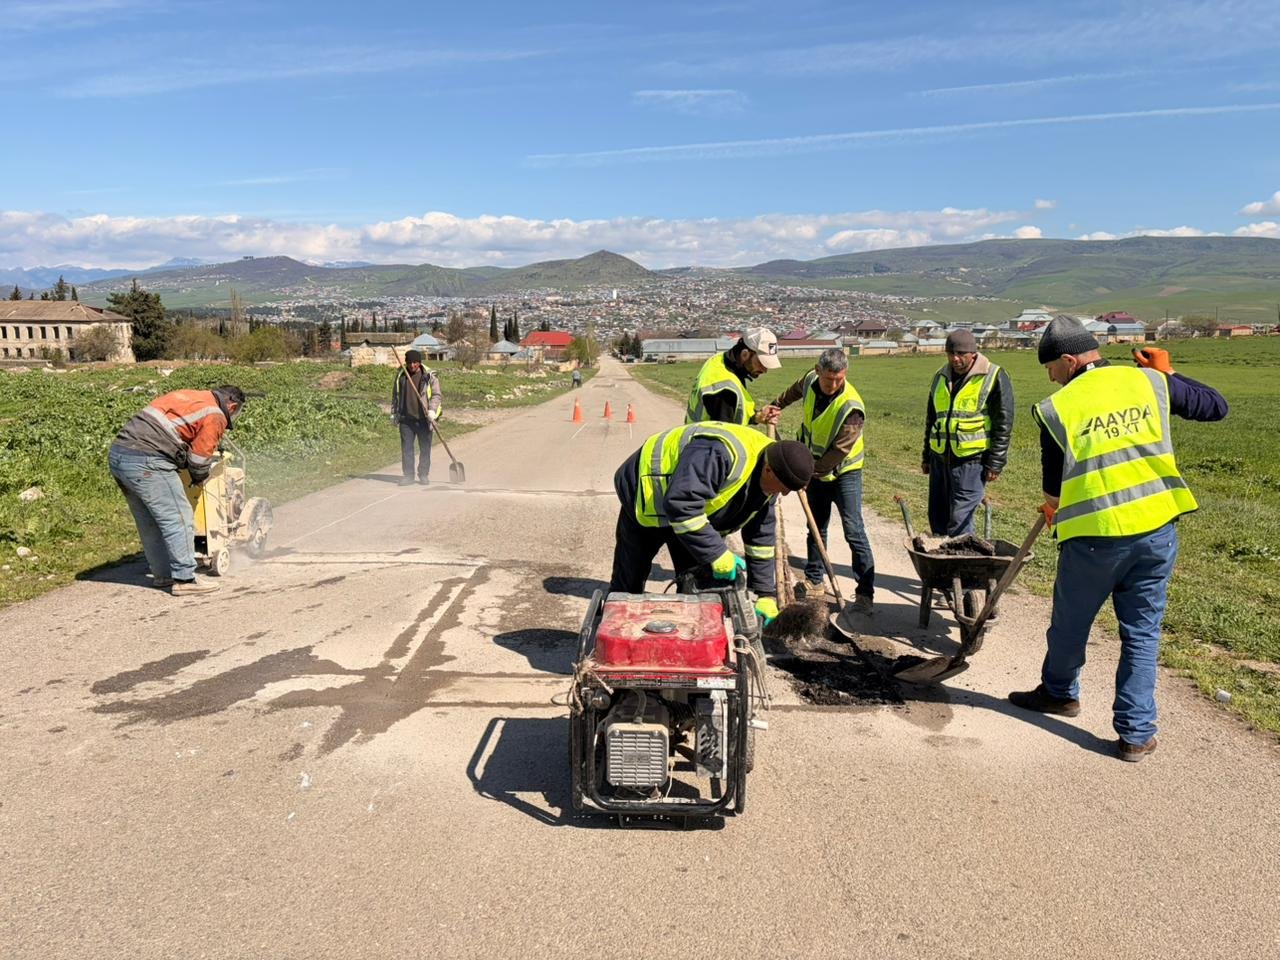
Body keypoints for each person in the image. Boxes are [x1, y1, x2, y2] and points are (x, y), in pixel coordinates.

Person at [1008, 316, 1228, 762]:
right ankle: (1136, 734)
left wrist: (1053, 507)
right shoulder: (1150, 383)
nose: (1050, 377)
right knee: (1142, 634)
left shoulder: (1057, 407)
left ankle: (1059, 693)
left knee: (1070, 625)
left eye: (1050, 367)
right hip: (1156, 531)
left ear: (1069, 361)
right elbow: (1215, 406)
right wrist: (1169, 374)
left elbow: (1054, 490)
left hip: (1095, 539)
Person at [609, 422, 815, 627]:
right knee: (629, 582)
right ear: (769, 470)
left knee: (700, 591)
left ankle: (686, 644)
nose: (784, 494)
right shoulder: (720, 453)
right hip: (646, 495)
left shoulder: (774, 472)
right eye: (784, 488)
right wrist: (717, 553)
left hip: (689, 515)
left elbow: (760, 538)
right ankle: (613, 634)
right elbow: (681, 504)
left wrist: (765, 594)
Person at [756, 347, 876, 613]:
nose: (833, 384)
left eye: (839, 379)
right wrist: (776, 405)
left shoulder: (852, 407)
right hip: (815, 465)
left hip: (845, 472)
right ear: (818, 370)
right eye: (828, 378)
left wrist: (808, 475)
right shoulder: (811, 379)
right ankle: (814, 580)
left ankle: (865, 592)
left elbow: (840, 450)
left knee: (853, 530)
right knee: (816, 525)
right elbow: (794, 390)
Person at [108, 385, 245, 596]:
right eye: (236, 412)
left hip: (120, 456)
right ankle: (184, 578)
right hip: (147, 461)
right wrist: (199, 478)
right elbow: (199, 462)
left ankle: (163, 575)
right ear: (232, 405)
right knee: (179, 517)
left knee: (150, 521)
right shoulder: (216, 415)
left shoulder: (191, 396)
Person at [921, 329, 1014, 536]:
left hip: (971, 461)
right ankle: (940, 564)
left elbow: (1004, 423)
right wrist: (926, 456)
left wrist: (996, 463)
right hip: (939, 459)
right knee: (937, 517)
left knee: (960, 520)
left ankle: (961, 565)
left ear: (973, 353)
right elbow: (932, 419)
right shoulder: (940, 377)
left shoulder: (994, 376)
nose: (955, 359)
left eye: (961, 354)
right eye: (950, 353)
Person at [685, 326, 782, 427]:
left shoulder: (719, 360)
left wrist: (758, 416)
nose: (765, 370)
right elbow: (723, 436)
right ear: (745, 354)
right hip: (705, 440)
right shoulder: (724, 390)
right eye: (761, 363)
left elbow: (736, 412)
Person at [392, 350, 441, 486]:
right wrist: (393, 413)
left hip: (424, 419)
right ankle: (408, 476)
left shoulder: (429, 376)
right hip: (406, 419)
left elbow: (437, 395)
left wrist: (432, 410)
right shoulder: (401, 375)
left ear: (419, 362)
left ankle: (423, 474)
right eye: (409, 362)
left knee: (425, 448)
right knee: (407, 449)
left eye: (415, 362)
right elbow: (395, 396)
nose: (412, 365)